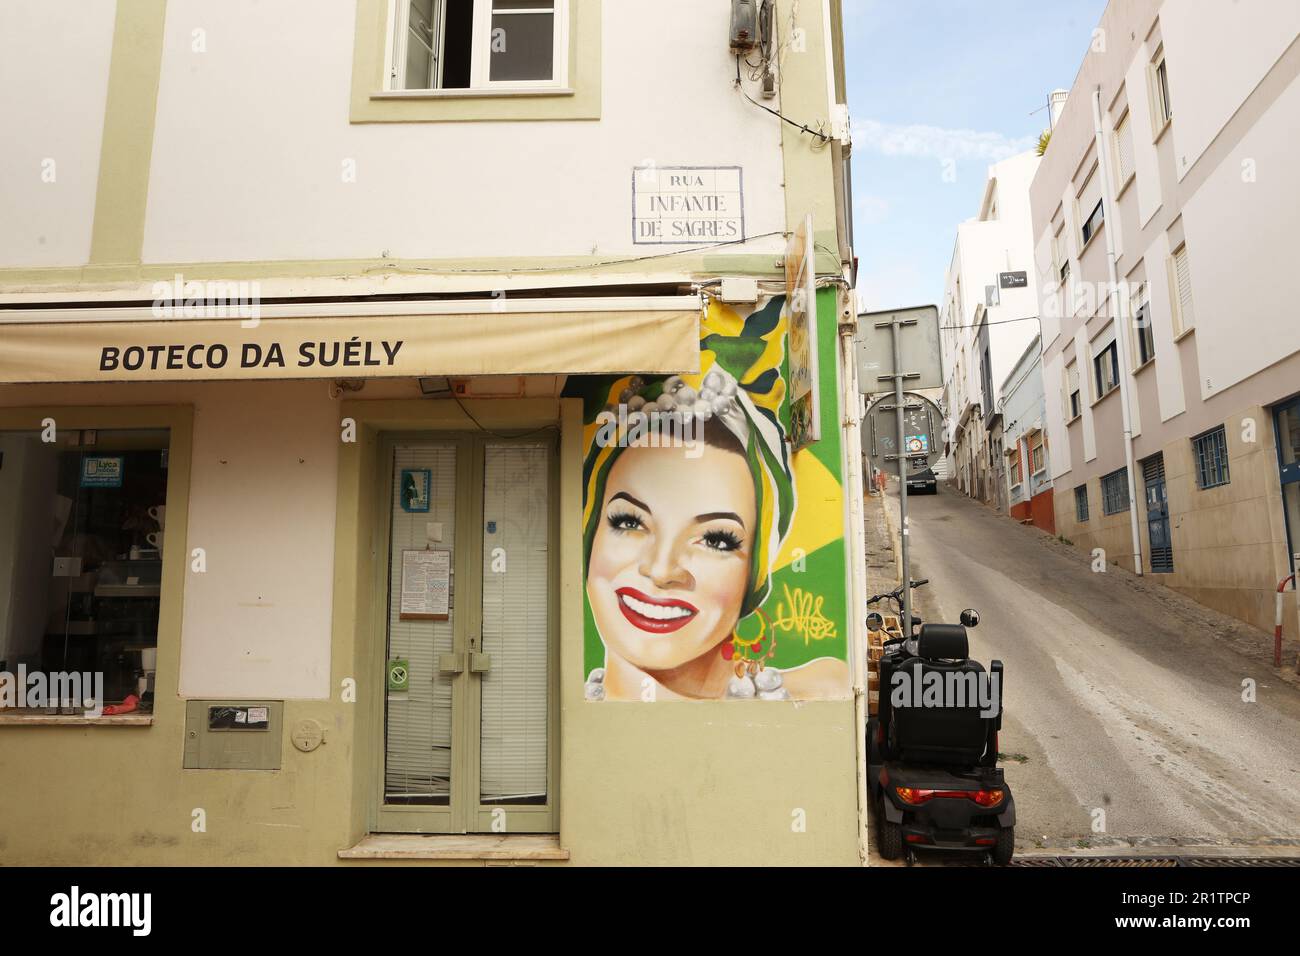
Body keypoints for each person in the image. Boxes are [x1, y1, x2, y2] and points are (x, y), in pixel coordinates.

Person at [580, 301, 848, 701]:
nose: (660, 569)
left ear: (756, 571)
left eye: (716, 539)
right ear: (590, 530)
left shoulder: (817, 692)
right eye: (629, 521)